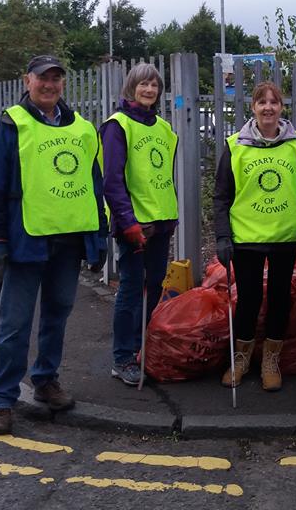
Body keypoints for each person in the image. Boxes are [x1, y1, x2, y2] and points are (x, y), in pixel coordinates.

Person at [0, 54, 107, 435]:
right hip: (24, 241)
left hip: (68, 242)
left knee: (57, 315)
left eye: (56, 79)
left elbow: (93, 185)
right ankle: (2, 399)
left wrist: (97, 237)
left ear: (63, 84)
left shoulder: (82, 129)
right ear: (27, 80)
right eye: (42, 78)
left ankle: (45, 380)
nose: (49, 85)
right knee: (15, 324)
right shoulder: (8, 125)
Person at [213, 82, 296, 392]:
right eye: (262, 102)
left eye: (274, 102)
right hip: (247, 237)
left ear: (281, 108)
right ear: (253, 107)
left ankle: (271, 360)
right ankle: (242, 358)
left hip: (286, 236)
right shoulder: (235, 145)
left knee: (280, 299)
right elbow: (221, 195)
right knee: (248, 299)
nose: (268, 107)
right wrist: (222, 235)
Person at [100, 63, 178, 386]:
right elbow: (112, 181)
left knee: (155, 286)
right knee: (131, 289)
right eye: (143, 84)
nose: (149, 90)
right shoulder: (117, 126)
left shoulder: (163, 128)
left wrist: (169, 218)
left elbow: (161, 177)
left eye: (154, 85)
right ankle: (122, 356)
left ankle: (141, 347)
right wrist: (127, 223)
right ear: (131, 87)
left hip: (160, 223)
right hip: (134, 226)